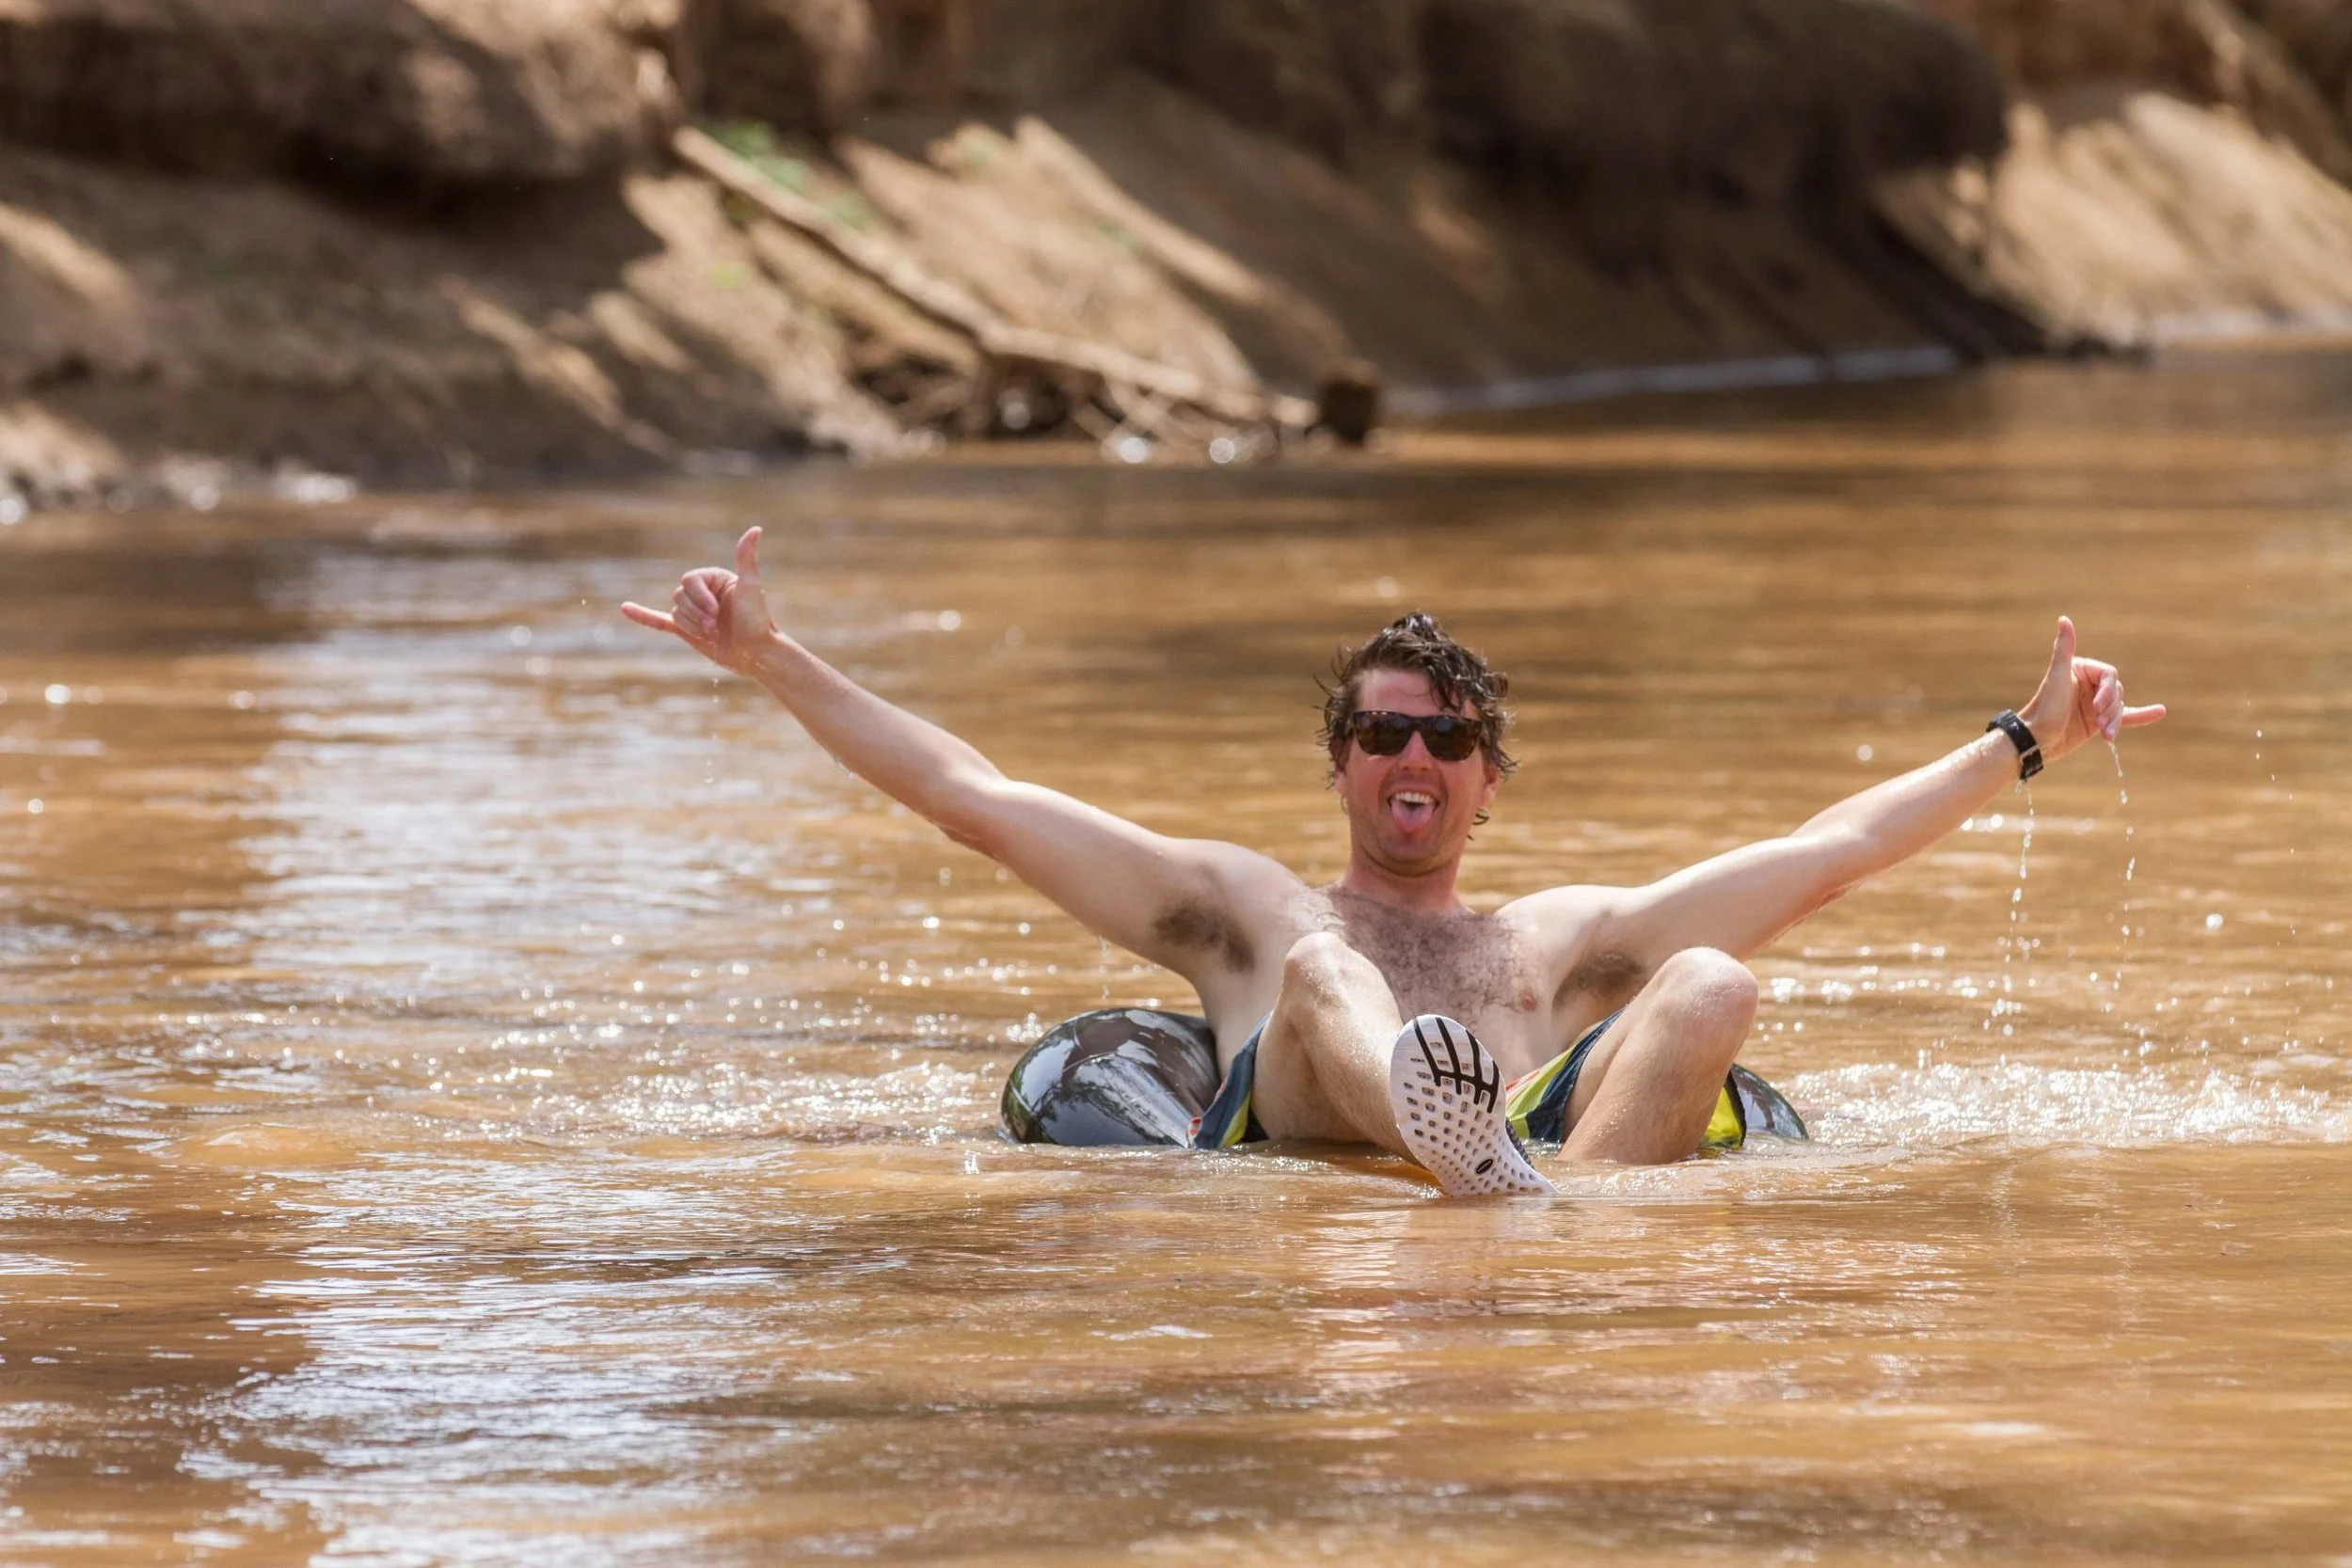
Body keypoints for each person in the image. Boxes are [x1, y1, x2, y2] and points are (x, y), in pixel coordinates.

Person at [624, 529, 2164, 1196]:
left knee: (1711, 979)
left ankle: (1545, 1213)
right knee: (1323, 969)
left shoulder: (1559, 940)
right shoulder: (1244, 911)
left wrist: (2024, 739)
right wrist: (772, 658)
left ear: (1486, 780)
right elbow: (979, 798)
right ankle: (1455, 1142)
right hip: (1299, 1105)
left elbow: (1830, 852)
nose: (1411, 755)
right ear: (1342, 760)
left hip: (1536, 1168)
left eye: (1445, 736)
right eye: (1380, 731)